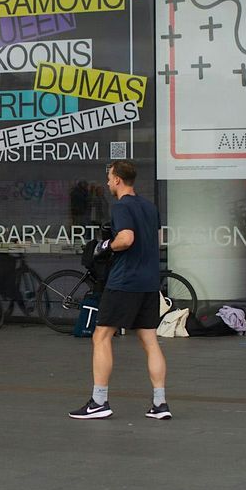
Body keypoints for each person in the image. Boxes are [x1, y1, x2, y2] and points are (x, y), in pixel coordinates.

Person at [70, 160, 171, 421]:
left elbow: (126, 239)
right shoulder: (149, 208)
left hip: (125, 282)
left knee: (101, 336)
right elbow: (154, 241)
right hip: (149, 282)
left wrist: (106, 247)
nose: (106, 182)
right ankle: (160, 404)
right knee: (150, 340)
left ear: (117, 180)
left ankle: (99, 401)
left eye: (109, 178)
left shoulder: (122, 206)